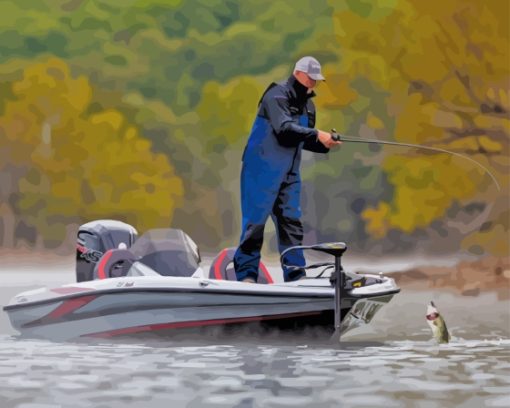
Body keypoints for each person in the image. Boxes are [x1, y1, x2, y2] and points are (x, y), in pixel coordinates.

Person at [233, 56, 342, 283]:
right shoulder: (276, 95)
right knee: (255, 224)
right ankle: (246, 276)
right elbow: (284, 129)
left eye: (316, 80)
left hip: (290, 174)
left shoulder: (308, 107)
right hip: (260, 170)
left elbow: (304, 140)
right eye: (310, 78)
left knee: (291, 225)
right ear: (298, 73)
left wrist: (325, 143)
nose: (313, 83)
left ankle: (295, 276)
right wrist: (316, 134)